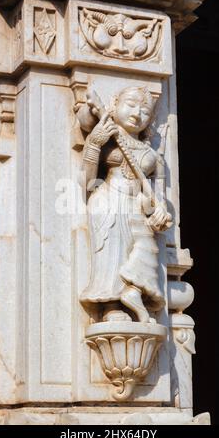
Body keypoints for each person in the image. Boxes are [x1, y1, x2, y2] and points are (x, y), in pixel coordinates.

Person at [79, 86, 170, 323]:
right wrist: (95, 143)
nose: (137, 113)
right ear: (114, 103)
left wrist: (160, 210)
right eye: (130, 104)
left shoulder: (152, 154)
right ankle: (113, 304)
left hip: (136, 207)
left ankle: (134, 293)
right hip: (108, 201)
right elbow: (86, 182)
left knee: (146, 251)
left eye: (146, 111)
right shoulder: (107, 138)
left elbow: (158, 194)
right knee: (114, 254)